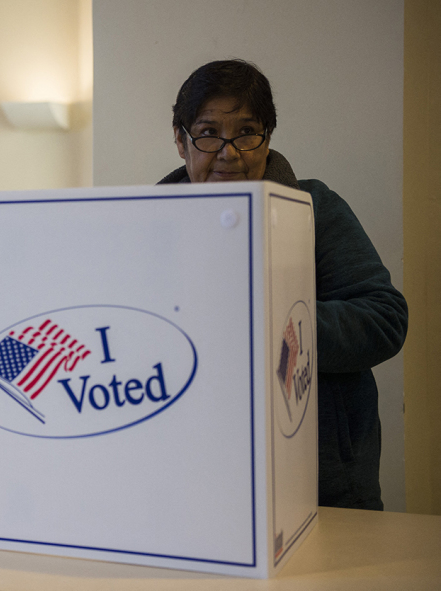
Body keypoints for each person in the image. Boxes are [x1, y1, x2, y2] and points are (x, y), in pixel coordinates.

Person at [159, 59, 408, 510]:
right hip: (190, 479)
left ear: (268, 137)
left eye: (246, 132)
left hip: (320, 485)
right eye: (209, 132)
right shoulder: (146, 224)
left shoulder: (316, 209)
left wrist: (271, 321)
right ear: (181, 140)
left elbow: (384, 319)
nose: (228, 152)